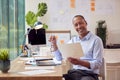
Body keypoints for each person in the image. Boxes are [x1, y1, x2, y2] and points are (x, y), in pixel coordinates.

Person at [49, 15, 103, 80]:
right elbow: (59, 58)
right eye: (76, 25)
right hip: (75, 73)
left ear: (86, 23)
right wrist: (54, 44)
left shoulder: (96, 40)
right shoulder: (73, 40)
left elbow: (98, 64)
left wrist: (80, 62)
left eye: (80, 23)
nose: (79, 26)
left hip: (89, 74)